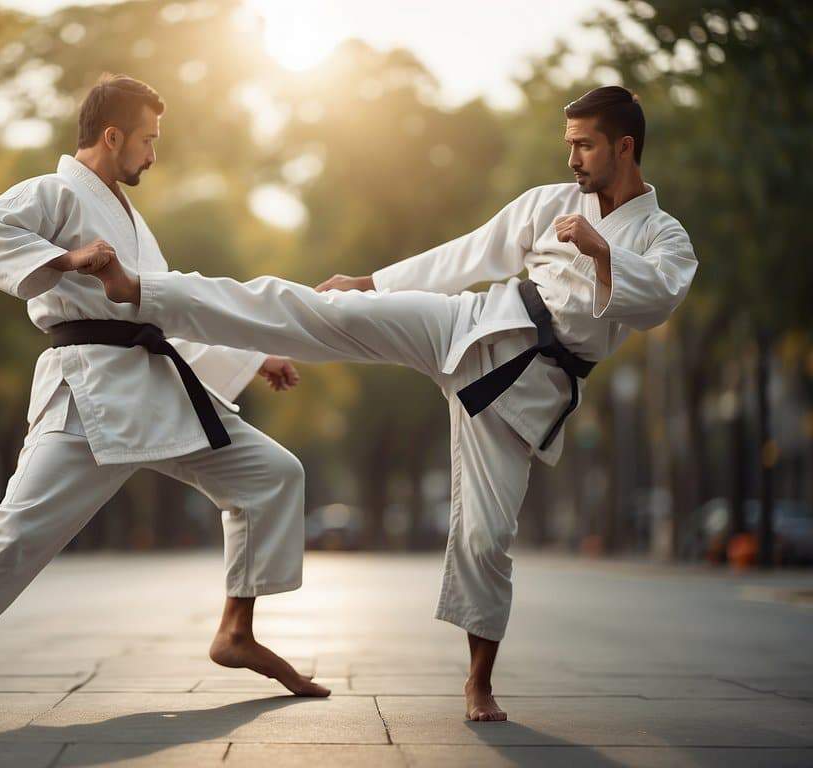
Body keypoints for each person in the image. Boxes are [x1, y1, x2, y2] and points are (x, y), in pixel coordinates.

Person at [92, 86, 697, 721]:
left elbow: (657, 300)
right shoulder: (550, 205)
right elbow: (470, 252)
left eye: (584, 145)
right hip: (472, 323)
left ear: (624, 147)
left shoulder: (663, 235)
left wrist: (600, 248)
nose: (572, 158)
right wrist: (372, 283)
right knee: (322, 311)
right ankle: (151, 294)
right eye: (568, 144)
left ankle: (478, 683)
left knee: (486, 538)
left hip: (526, 390)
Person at [0, 74, 327, 710]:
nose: (153, 154)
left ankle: (236, 632)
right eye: (148, 140)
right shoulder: (54, 193)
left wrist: (252, 356)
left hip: (158, 387)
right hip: (89, 394)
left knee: (273, 473)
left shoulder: (133, 220)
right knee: (15, 533)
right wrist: (67, 260)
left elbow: (160, 311)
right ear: (113, 136)